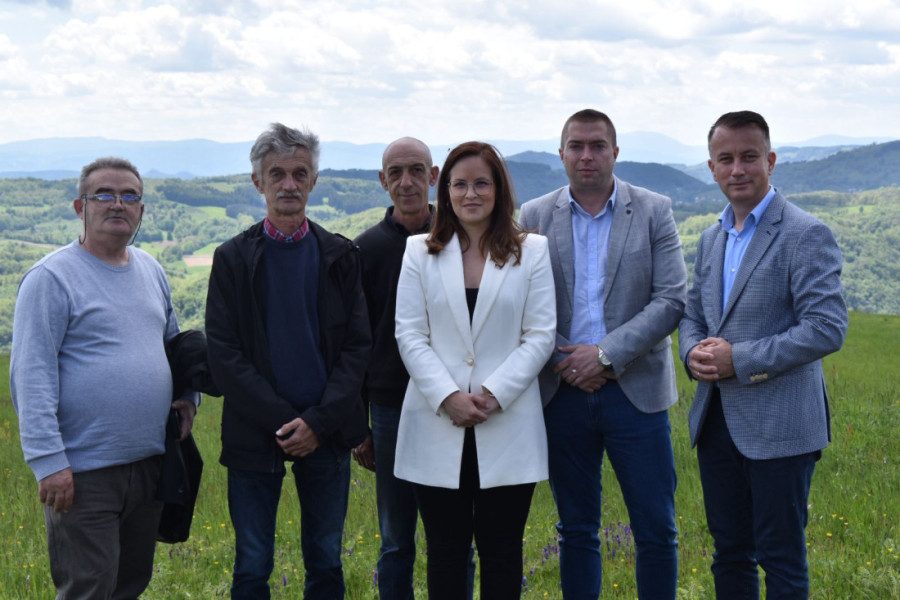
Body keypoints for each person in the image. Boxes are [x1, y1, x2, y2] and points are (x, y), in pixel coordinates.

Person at [9, 156, 198, 598]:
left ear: (141, 210)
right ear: (81, 207)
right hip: (83, 473)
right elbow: (31, 376)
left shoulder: (151, 269)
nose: (118, 204)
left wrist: (189, 395)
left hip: (149, 463)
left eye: (130, 196)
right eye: (104, 195)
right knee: (89, 588)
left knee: (131, 583)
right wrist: (49, 462)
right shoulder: (50, 278)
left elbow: (174, 346)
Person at [679, 110, 848, 598]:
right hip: (716, 423)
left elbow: (827, 328)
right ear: (711, 168)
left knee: (781, 559)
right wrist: (691, 353)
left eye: (749, 157)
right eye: (725, 159)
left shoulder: (805, 233)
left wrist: (739, 359)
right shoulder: (712, 237)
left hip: (781, 428)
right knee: (729, 554)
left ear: (770, 161)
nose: (737, 169)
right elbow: (693, 314)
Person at [519, 109, 686, 599]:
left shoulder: (654, 210)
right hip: (562, 391)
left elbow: (671, 299)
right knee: (575, 530)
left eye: (597, 146)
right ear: (561, 154)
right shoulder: (533, 216)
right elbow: (520, 304)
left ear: (615, 152)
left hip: (636, 392)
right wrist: (565, 361)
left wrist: (605, 355)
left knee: (656, 529)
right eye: (576, 146)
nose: (586, 155)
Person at [205, 123, 370, 599]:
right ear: (258, 182)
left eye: (300, 174)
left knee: (326, 559)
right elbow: (224, 353)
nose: (289, 185)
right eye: (276, 174)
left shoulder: (340, 255)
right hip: (255, 432)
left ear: (314, 180)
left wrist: (317, 422)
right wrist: (285, 421)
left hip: (327, 431)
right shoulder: (233, 259)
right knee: (252, 564)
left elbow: (357, 347)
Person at [393, 141, 556, 599]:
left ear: (498, 189)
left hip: (507, 421)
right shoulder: (418, 252)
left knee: (502, 552)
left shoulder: (532, 251)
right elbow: (410, 334)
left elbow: (540, 334)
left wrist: (492, 393)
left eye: (481, 183)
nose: (470, 194)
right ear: (445, 191)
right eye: (459, 184)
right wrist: (448, 397)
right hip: (436, 421)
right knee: (445, 552)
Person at [351, 137, 476, 599]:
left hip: (453, 403)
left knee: (457, 536)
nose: (406, 182)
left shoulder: (462, 241)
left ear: (434, 176)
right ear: (383, 181)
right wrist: (358, 424)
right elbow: (354, 344)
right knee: (395, 537)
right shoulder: (365, 250)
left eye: (417, 170)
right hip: (389, 408)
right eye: (396, 173)